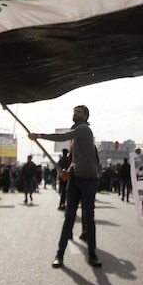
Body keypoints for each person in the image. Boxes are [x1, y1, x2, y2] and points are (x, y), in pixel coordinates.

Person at [29, 104, 102, 268]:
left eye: (79, 112)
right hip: (75, 179)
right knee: (69, 217)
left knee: (88, 217)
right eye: (74, 111)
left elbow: (62, 136)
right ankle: (59, 254)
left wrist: (40, 135)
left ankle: (92, 254)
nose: (75, 114)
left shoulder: (84, 129)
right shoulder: (76, 137)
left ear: (85, 117)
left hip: (89, 179)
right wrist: (67, 171)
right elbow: (76, 160)